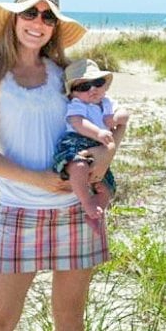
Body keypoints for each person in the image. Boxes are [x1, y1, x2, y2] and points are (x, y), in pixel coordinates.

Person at [0, 0, 126, 331]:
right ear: (13, 18)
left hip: (75, 208)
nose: (38, 22)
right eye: (30, 13)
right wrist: (37, 180)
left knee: (70, 315)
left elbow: (110, 120)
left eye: (47, 16)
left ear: (55, 26)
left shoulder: (66, 74)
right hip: (19, 210)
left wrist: (106, 157)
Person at [54, 59, 129, 234]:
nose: (92, 89)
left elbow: (126, 114)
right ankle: (87, 201)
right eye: (83, 87)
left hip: (99, 145)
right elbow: (78, 122)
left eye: (97, 83)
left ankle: (96, 214)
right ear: (72, 93)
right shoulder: (78, 105)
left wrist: (116, 118)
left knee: (107, 188)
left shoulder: (108, 103)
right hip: (76, 141)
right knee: (78, 166)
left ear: (105, 86)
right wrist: (98, 133)